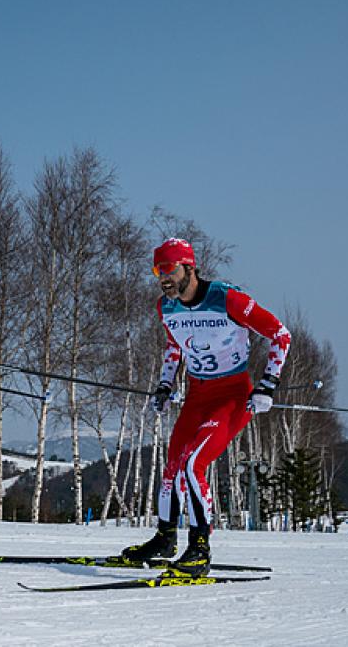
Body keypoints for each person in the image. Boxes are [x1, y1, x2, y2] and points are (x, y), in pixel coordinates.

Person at [119, 238, 290, 577]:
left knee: (193, 465)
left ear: (189, 266)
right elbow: (174, 347)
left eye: (168, 269)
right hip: (197, 393)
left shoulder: (226, 298)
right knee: (172, 468)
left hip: (231, 395)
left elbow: (280, 334)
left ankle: (199, 548)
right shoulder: (166, 307)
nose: (163, 278)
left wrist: (268, 382)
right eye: (157, 271)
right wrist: (166, 385)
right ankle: (165, 539)